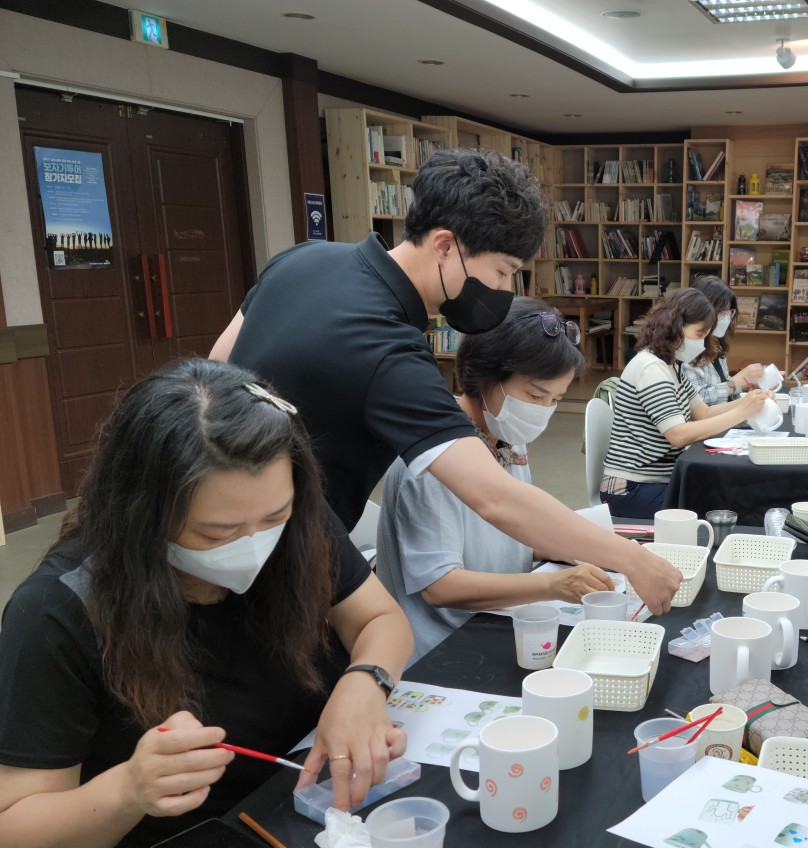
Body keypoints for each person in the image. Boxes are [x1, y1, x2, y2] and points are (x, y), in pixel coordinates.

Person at [0, 359, 413, 848]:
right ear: (141, 514)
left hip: (308, 811)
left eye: (274, 518)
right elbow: (14, 837)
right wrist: (130, 788)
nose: (254, 544)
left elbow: (380, 619)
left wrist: (363, 685)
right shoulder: (56, 613)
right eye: (217, 533)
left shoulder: (293, 523)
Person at [209, 148, 680, 614]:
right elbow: (494, 497)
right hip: (269, 558)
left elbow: (219, 369)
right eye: (502, 271)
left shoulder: (302, 258)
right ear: (444, 246)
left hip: (209, 516)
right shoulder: (389, 349)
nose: (504, 290)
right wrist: (632, 559)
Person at [378, 298, 614, 662]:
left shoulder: (506, 440)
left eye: (556, 399)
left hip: (496, 618)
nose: (543, 411)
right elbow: (440, 586)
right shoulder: (436, 463)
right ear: (485, 376)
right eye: (535, 395)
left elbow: (502, 537)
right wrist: (552, 583)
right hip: (440, 648)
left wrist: (562, 546)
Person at [600, 288, 770, 520]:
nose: (702, 343)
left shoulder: (672, 364)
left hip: (653, 482)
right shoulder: (651, 368)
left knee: (727, 496)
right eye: (699, 334)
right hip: (630, 489)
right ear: (675, 325)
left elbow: (703, 413)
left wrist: (749, 402)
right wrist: (741, 411)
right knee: (723, 505)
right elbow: (678, 435)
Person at [680, 275, 763, 405]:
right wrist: (736, 381)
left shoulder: (716, 345)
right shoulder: (688, 349)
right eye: (721, 312)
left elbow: (725, 389)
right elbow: (697, 404)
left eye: (729, 311)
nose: (727, 317)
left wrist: (751, 383)